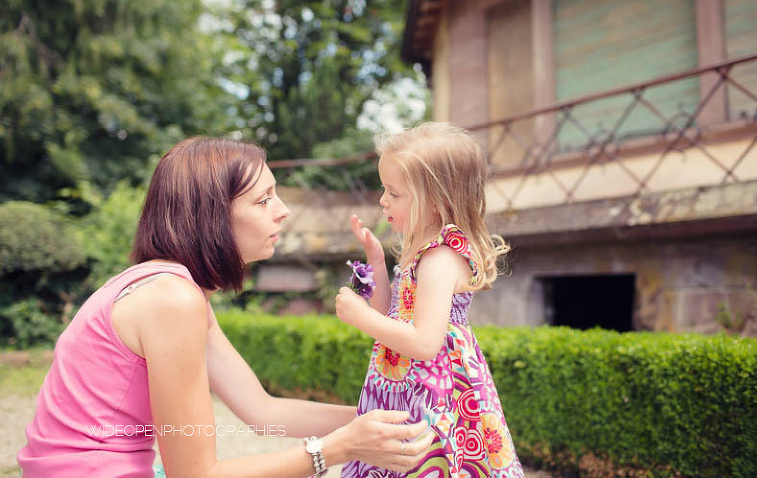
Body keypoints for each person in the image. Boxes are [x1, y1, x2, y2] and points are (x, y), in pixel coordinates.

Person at [17, 137, 431, 478]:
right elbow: (196, 476)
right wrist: (338, 448)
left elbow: (263, 410)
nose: (283, 210)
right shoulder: (172, 299)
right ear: (211, 216)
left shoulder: (174, 288)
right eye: (264, 200)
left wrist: (378, 419)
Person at [334, 122, 526, 477]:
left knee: (427, 462)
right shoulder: (420, 251)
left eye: (394, 192)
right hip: (408, 385)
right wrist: (377, 262)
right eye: (383, 189)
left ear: (435, 201)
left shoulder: (440, 258)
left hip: (435, 395)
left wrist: (359, 316)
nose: (382, 200)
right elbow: (391, 319)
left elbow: (424, 343)